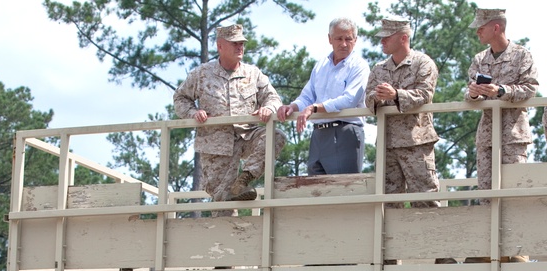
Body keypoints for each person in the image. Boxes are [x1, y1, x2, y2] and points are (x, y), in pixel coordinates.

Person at [172, 24, 285, 212]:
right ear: (220, 46)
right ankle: (224, 240)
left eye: (241, 43)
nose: (239, 47)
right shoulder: (201, 74)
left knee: (276, 135)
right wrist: (193, 113)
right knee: (223, 202)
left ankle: (244, 179)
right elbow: (180, 98)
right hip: (216, 143)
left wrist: (267, 108)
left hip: (247, 135)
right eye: (234, 43)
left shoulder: (253, 73)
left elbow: (273, 98)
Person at [276, 18, 369, 174]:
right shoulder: (321, 66)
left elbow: (349, 99)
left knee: (343, 191)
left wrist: (314, 108)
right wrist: (292, 106)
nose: (344, 44)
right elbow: (307, 96)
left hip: (345, 132)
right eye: (339, 38)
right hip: (318, 134)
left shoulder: (359, 66)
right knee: (316, 191)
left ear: (356, 40)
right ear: (329, 39)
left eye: (348, 39)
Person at [365, 17, 440, 209]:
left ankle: (431, 239)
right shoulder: (378, 69)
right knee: (387, 203)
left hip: (416, 143)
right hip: (387, 144)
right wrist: (378, 98)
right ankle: (391, 239)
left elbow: (425, 94)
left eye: (387, 37)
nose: (382, 41)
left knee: (425, 198)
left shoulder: (423, 63)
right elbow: (368, 99)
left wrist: (396, 94)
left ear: (403, 38)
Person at [465, 8, 539, 203]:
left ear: (496, 28)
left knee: (515, 191)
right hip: (487, 135)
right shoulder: (480, 60)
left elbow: (530, 88)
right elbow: (469, 92)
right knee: (486, 193)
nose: (477, 32)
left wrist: (500, 91)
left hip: (512, 135)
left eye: (481, 28)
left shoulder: (522, 56)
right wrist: (473, 94)